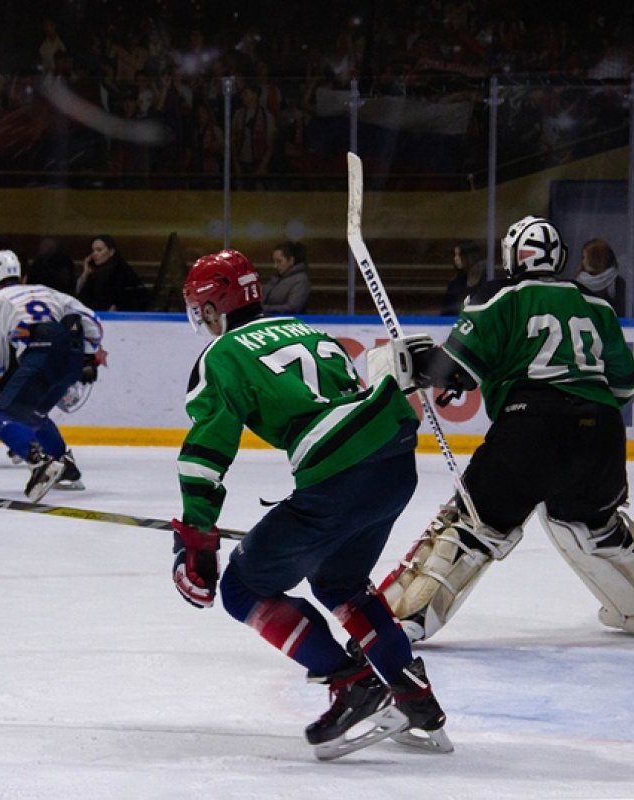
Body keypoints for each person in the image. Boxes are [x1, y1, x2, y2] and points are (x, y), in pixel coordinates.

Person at [171, 249, 450, 759]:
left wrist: (197, 537)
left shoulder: (221, 356)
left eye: (202, 308)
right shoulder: (308, 331)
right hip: (393, 462)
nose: (203, 321)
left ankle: (353, 684)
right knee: (340, 583)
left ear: (214, 306)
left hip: (337, 477)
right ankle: (412, 694)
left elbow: (207, 451)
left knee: (241, 587)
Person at [377, 216, 634, 643]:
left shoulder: (498, 295)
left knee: (475, 522)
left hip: (530, 429)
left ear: (511, 253)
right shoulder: (597, 303)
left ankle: (406, 616)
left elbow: (456, 369)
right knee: (593, 523)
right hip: (602, 434)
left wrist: (416, 364)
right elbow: (625, 386)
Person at [0, 250, 105, 502]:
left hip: (39, 354)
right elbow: (93, 323)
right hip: (71, 358)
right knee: (33, 414)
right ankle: (65, 467)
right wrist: (88, 353)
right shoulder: (47, 292)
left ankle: (39, 462)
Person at [76, 234, 151, 312]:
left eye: (99, 250)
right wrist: (85, 273)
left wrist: (118, 308)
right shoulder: (96, 274)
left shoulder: (121, 273)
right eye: (93, 250)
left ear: (111, 252)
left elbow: (137, 298)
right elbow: (80, 298)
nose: (94, 254)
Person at [575, 237, 626, 316]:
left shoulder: (617, 283)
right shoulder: (578, 284)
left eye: (585, 257)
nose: (583, 261)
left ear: (596, 258)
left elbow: (620, 313)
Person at [261, 240, 310, 314]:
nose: (275, 266)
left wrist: (264, 309)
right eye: (274, 261)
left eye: (279, 261)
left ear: (291, 260)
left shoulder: (301, 280)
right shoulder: (276, 278)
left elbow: (293, 308)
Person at [439, 240, 485, 316]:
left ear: (470, 256)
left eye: (458, 255)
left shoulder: (486, 280)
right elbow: (446, 311)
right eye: (455, 255)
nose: (455, 259)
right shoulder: (455, 284)